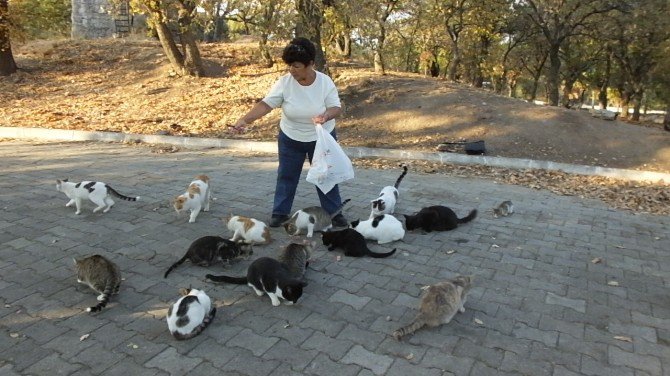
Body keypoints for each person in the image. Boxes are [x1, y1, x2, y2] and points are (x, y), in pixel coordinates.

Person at [232, 37, 348, 228]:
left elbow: (336, 107)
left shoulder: (324, 82)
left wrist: (326, 115)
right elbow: (266, 104)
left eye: (296, 66)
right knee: (286, 174)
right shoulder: (285, 82)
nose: (292, 70)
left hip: (321, 137)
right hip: (291, 137)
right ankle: (280, 212)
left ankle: (334, 213)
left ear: (310, 64)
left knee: (326, 174)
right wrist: (245, 120)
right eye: (289, 66)